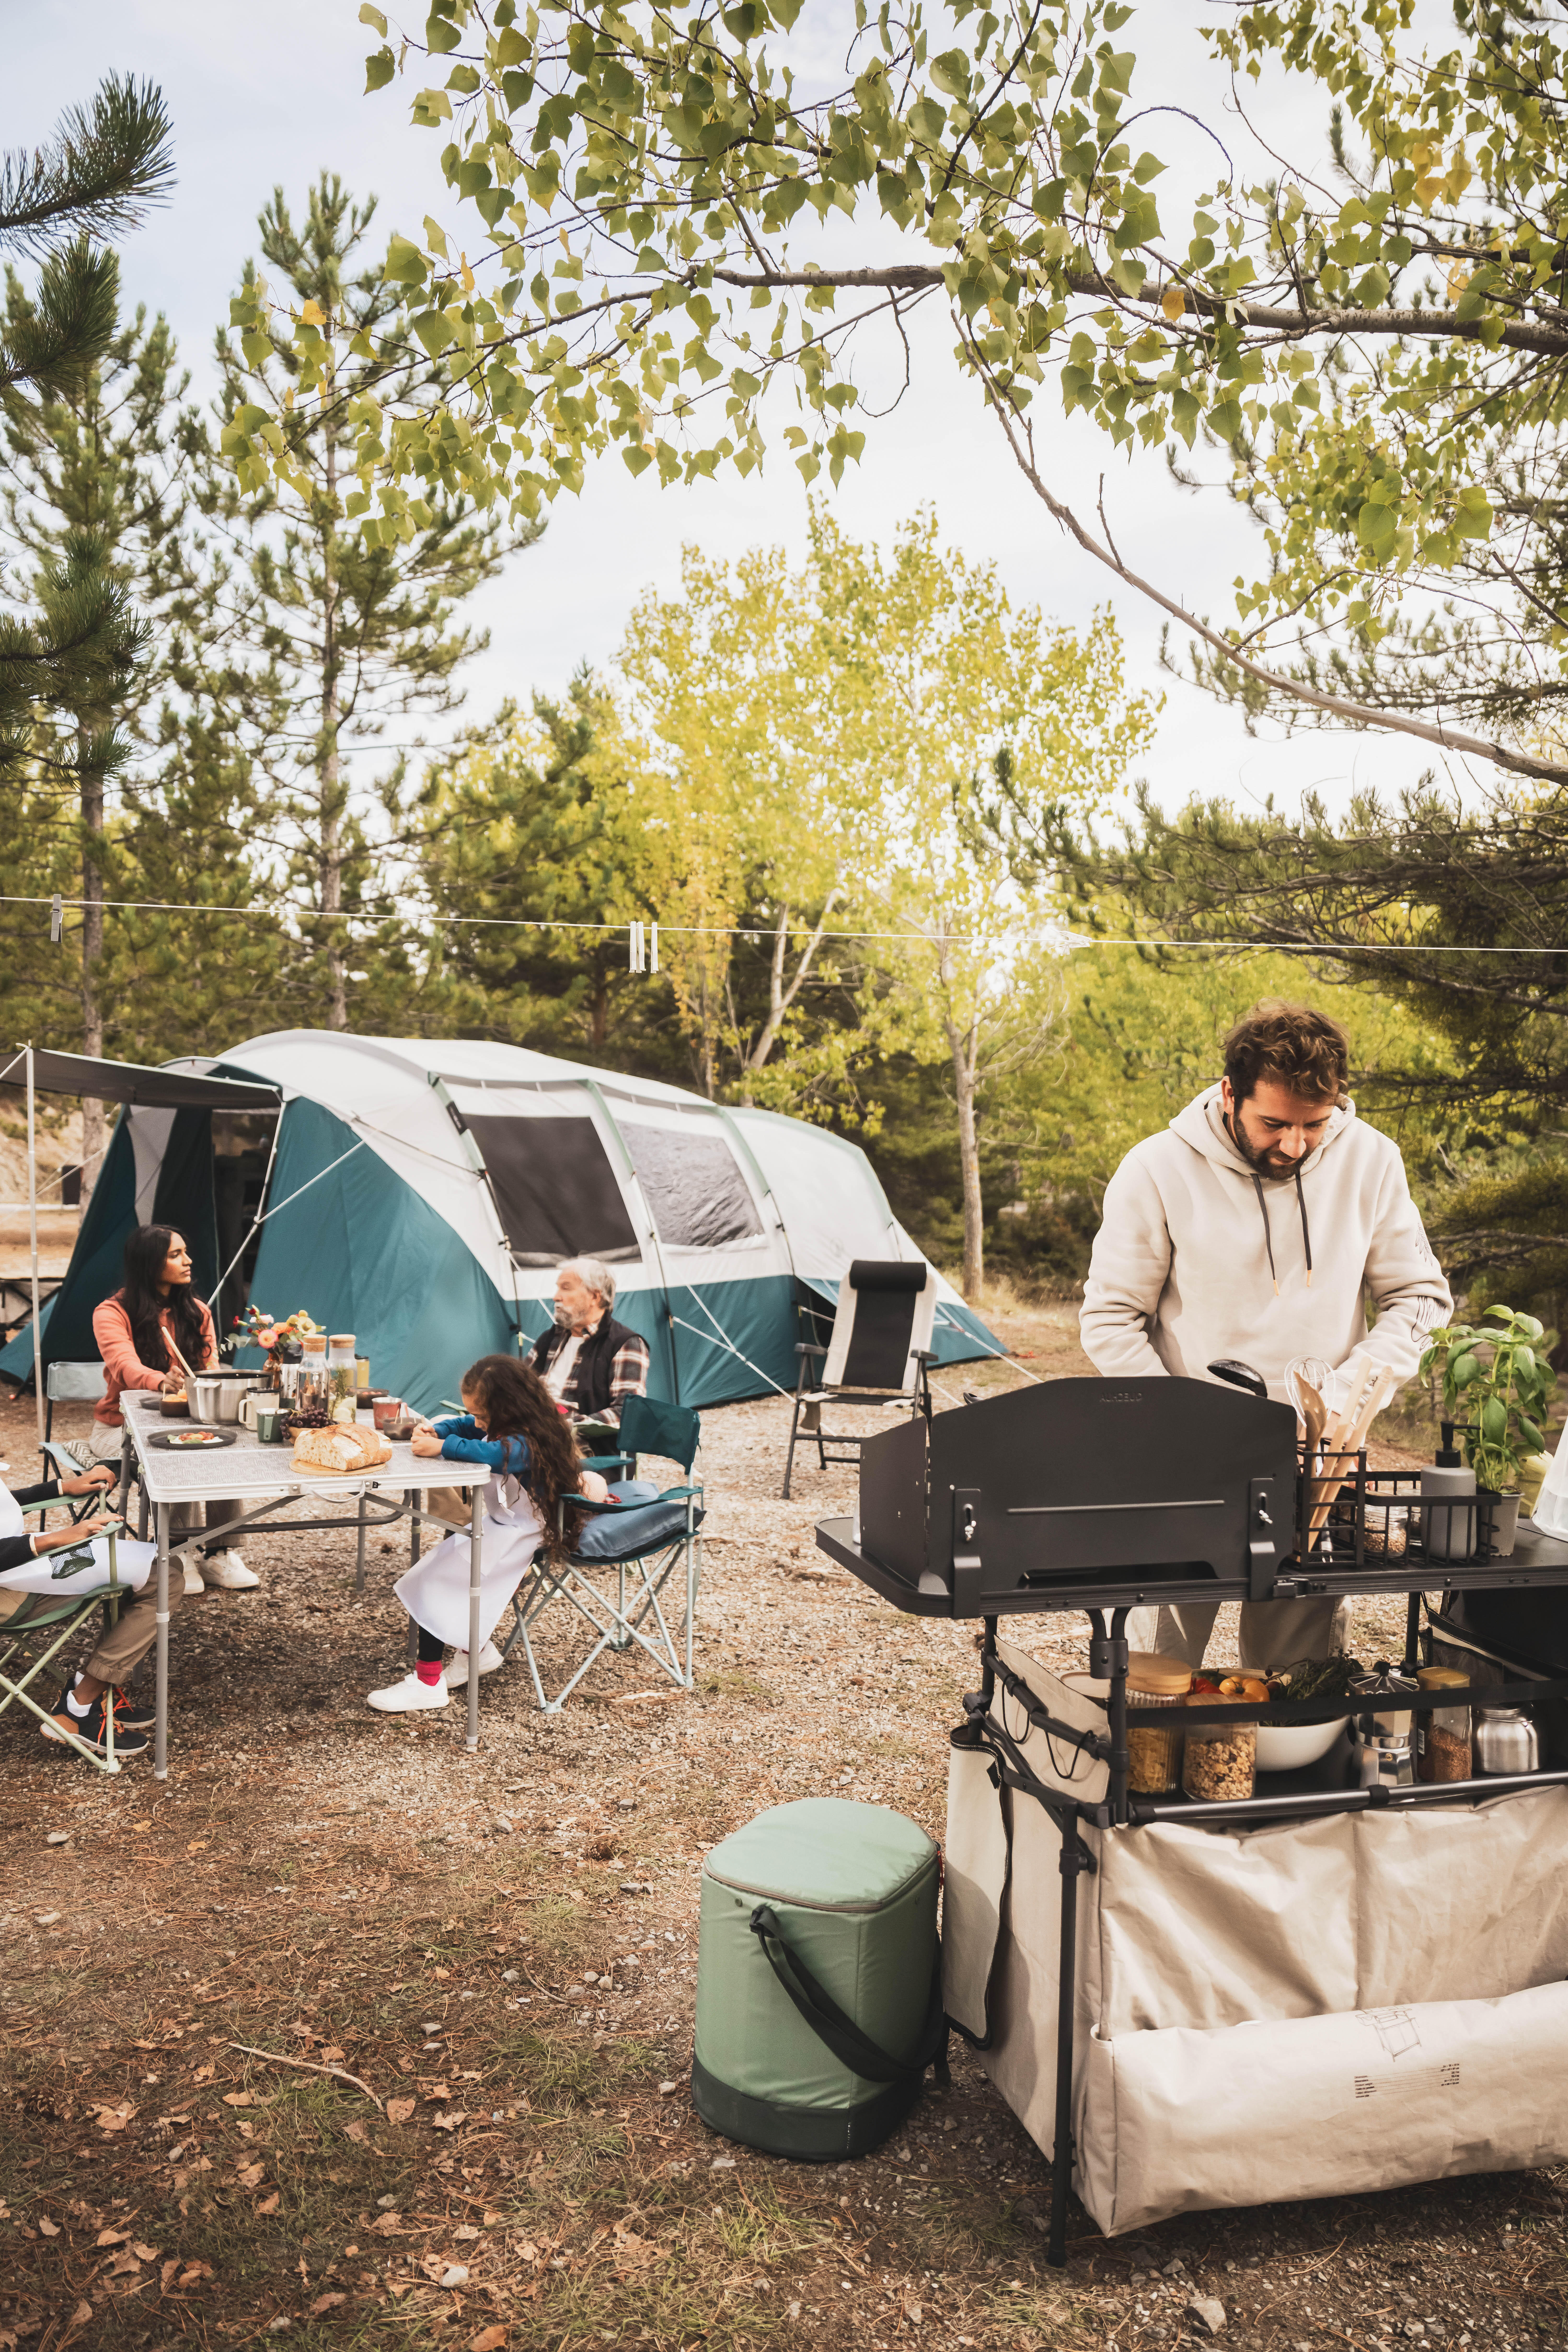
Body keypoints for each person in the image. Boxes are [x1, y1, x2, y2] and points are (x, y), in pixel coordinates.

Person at [1079, 1000, 1452, 1669]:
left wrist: (1351, 1389)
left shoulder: (1372, 1161)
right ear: (1230, 1093)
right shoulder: (1156, 1168)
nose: (1295, 1144)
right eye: (1274, 1123)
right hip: (1183, 1462)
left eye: (1315, 1123)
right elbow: (1111, 1318)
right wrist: (1176, 1416)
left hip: (1319, 1469)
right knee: (1150, 1676)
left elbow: (1419, 1298)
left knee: (1294, 1679)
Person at [366, 1353, 610, 1712]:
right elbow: (470, 1427)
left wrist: (444, 1448)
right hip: (505, 1525)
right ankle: (475, 1654)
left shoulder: (532, 1441)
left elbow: (497, 1454)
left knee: (438, 1581)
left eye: (484, 1414)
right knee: (443, 1571)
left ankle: (428, 1684)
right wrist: (441, 1430)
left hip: (526, 1531)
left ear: (510, 1408)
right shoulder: (507, 1423)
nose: (478, 1420)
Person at [81, 1225, 256, 1593]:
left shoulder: (197, 1312)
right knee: (182, 1454)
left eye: (186, 1252)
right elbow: (123, 1365)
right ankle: (177, 1553)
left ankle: (221, 1552)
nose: (188, 1260)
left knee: (223, 1446)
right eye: (175, 1254)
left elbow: (209, 1371)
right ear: (149, 1263)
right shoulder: (112, 1312)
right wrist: (160, 1380)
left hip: (185, 1422)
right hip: (119, 1429)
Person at [0, 1461, 164, 1762]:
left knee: (156, 1570)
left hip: (21, 1566)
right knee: (163, 1580)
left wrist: (61, 1488)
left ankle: (99, 1690)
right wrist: (52, 1539)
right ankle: (82, 1704)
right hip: (11, 1590)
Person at [527, 1257, 649, 1429]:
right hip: (535, 1435)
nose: (556, 1297)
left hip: (587, 1448)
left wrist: (563, 1427)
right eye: (558, 1288)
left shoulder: (626, 1344)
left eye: (566, 1288)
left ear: (594, 1296)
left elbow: (628, 1413)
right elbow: (519, 1389)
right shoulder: (550, 1339)